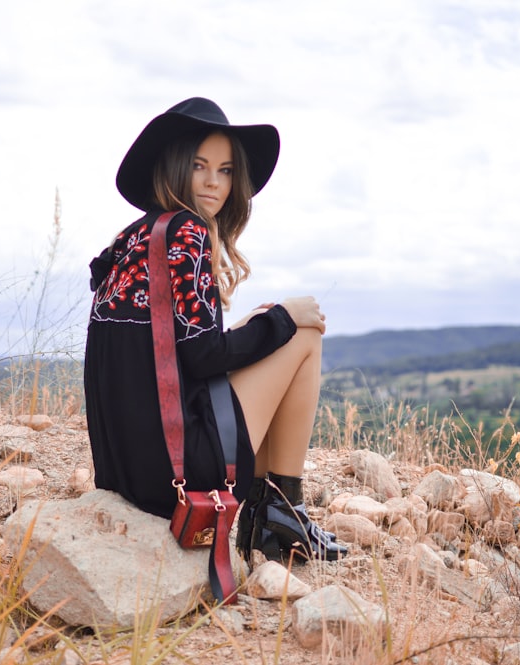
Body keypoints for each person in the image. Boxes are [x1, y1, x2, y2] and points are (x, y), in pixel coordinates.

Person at [84, 97, 346, 563]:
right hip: (180, 473)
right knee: (302, 335)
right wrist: (283, 319)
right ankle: (282, 515)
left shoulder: (133, 238)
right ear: (175, 166)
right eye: (200, 165)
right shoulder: (186, 233)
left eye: (225, 170)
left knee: (271, 328)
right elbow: (203, 357)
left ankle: (274, 519)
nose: (213, 182)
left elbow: (172, 349)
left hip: (127, 469)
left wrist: (257, 326)